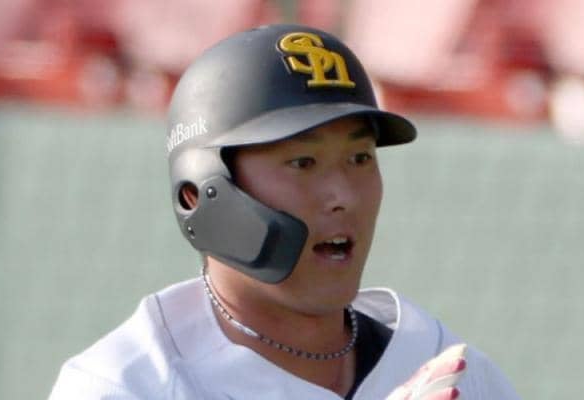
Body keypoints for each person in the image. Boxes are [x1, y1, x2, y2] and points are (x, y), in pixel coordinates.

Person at [49, 24, 520, 400]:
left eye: (360, 158)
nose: (343, 195)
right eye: (302, 162)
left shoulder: (448, 370)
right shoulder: (126, 385)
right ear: (198, 193)